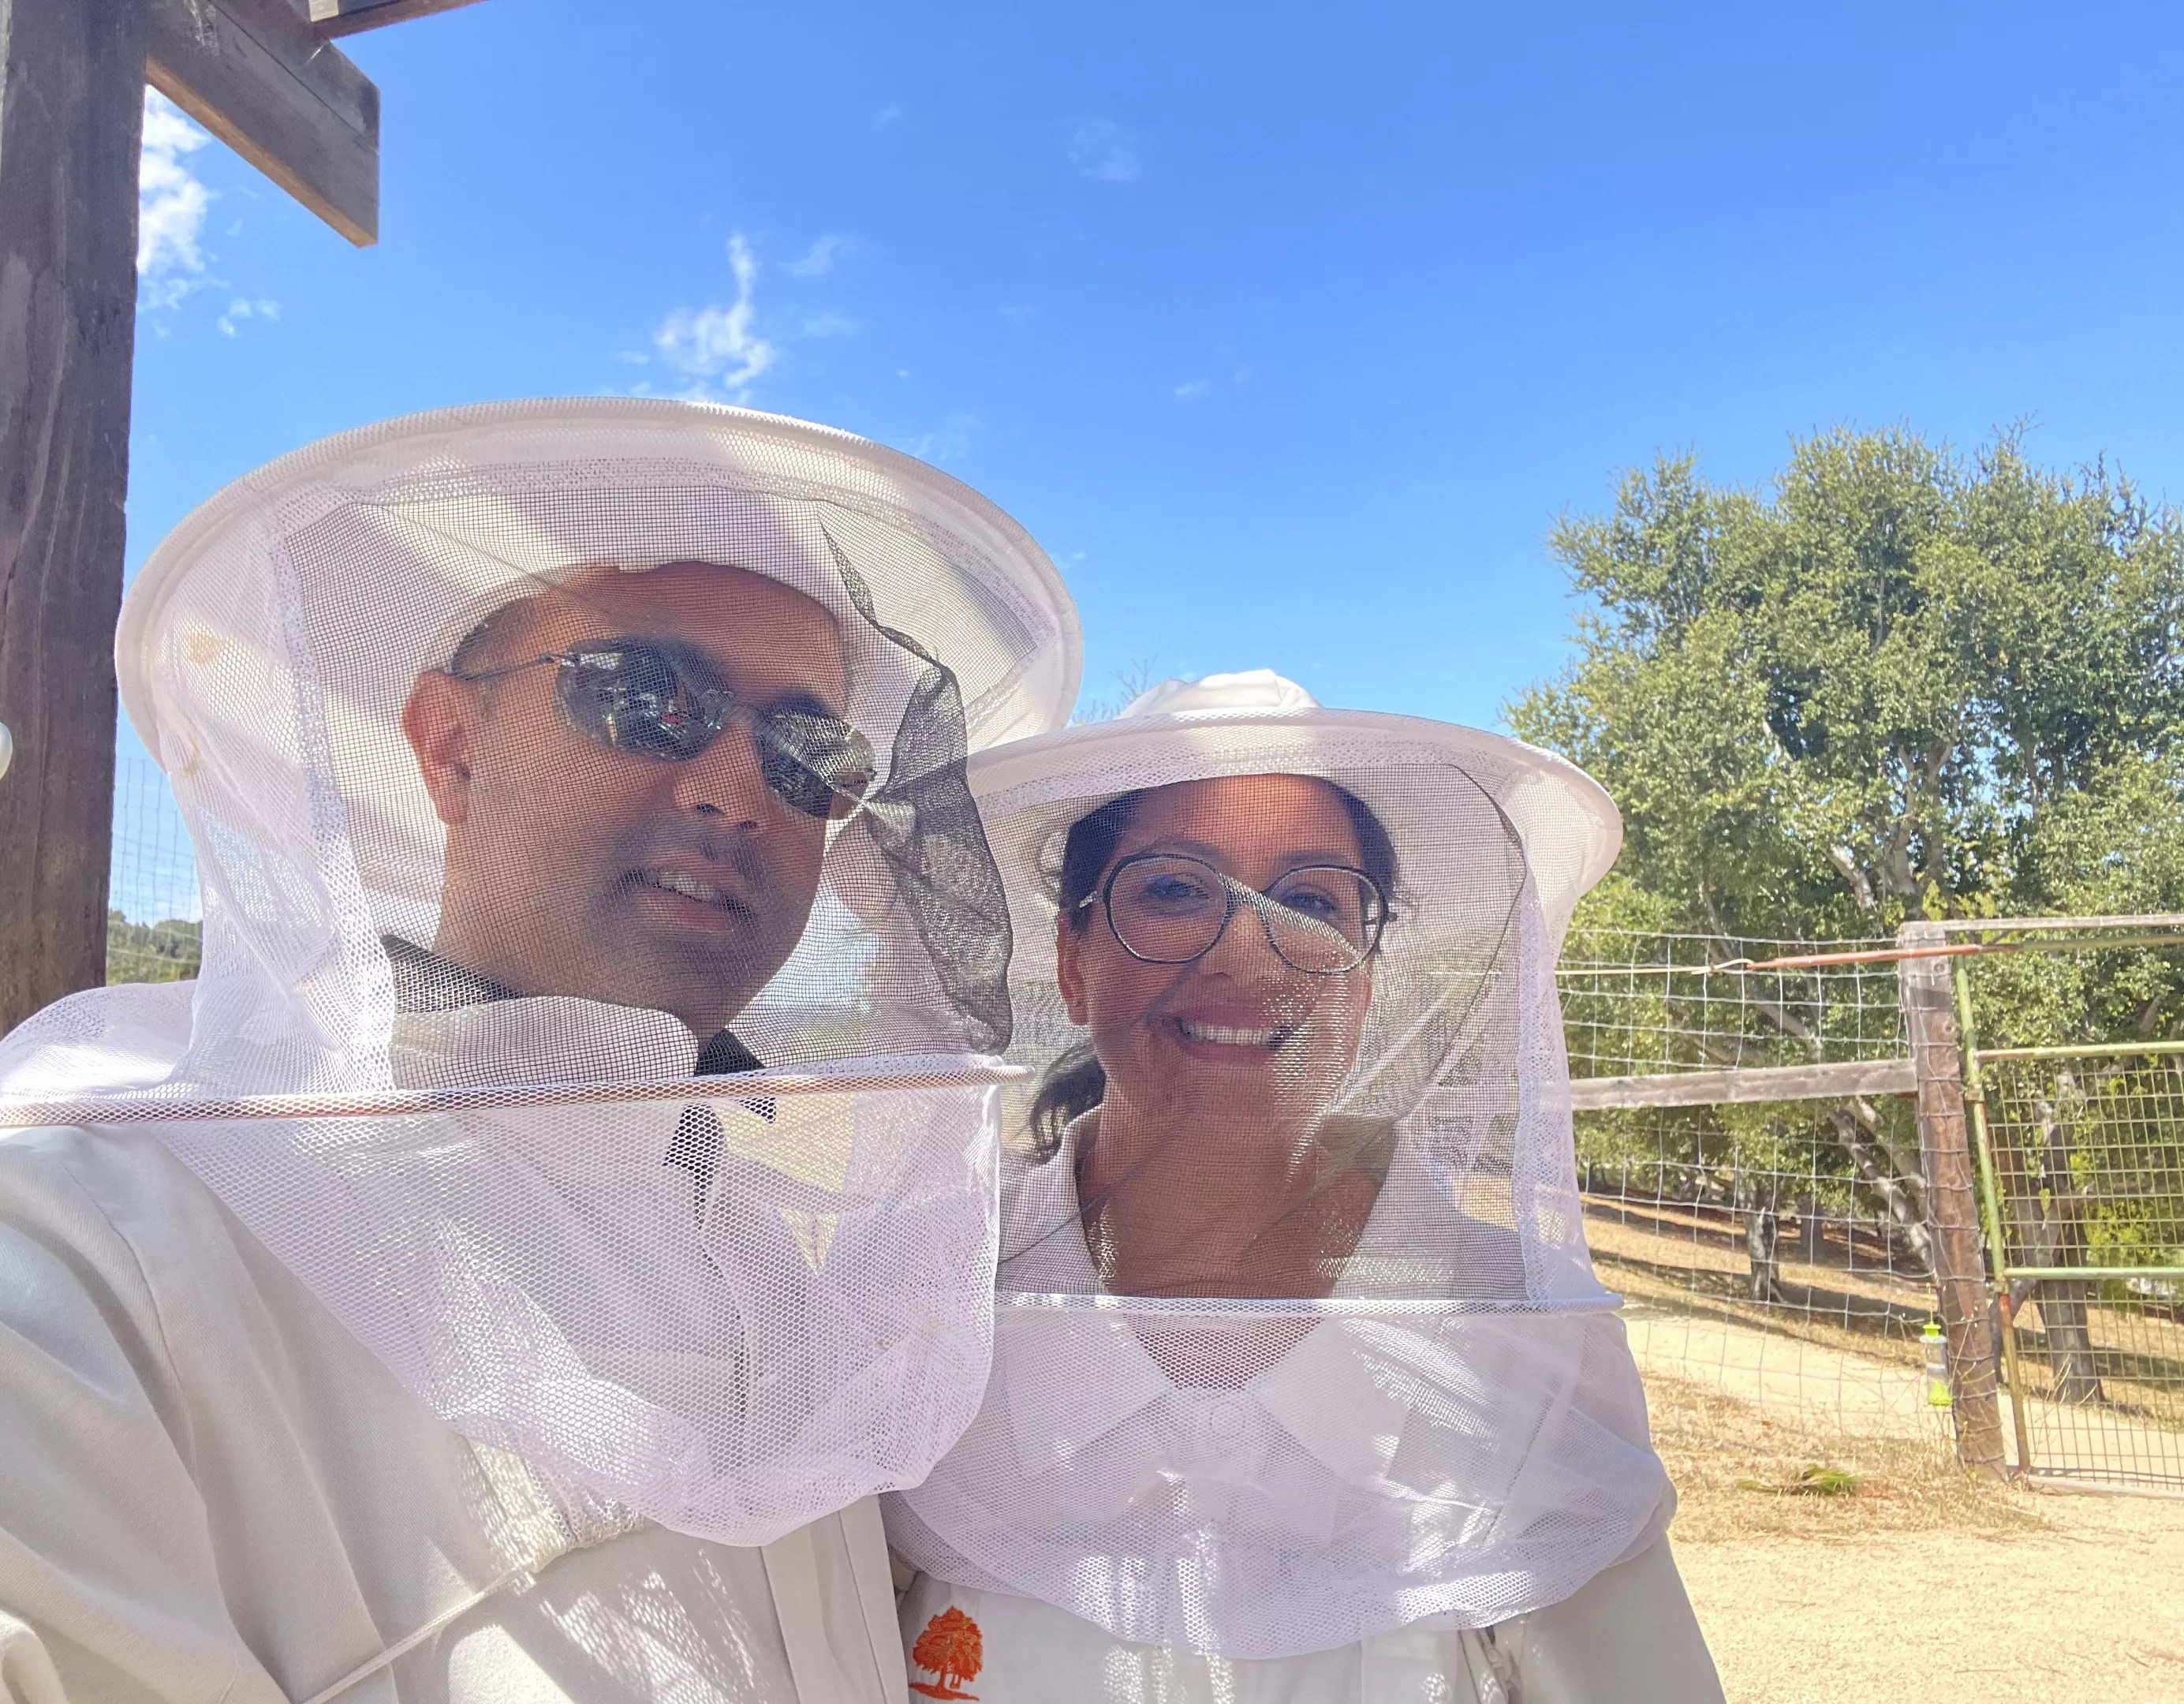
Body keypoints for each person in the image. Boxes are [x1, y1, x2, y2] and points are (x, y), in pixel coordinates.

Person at [0, 399, 1079, 1703]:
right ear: (450, 746)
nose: (736, 788)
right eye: (643, 697)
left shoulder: (774, 1243)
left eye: (811, 755)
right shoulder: (96, 1235)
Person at [886, 671, 1725, 1702]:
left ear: (1364, 977)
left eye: (1310, 900)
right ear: (1072, 956)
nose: (1246, 948)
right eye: (1174, 888)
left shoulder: (1518, 1336)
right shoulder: (911, 1308)